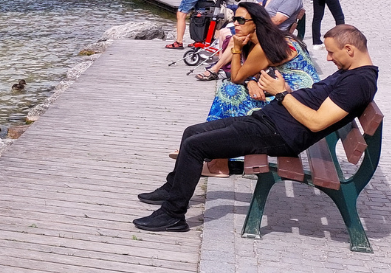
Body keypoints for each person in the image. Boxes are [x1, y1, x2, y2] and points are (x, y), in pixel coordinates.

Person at [134, 25, 378, 232]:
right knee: (192, 132)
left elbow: (316, 122)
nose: (328, 58)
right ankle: (172, 190)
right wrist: (285, 90)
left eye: (331, 53)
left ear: (349, 49)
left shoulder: (358, 83)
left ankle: (173, 215)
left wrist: (281, 94)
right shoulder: (351, 73)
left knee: (194, 146)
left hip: (280, 135)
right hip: (271, 122)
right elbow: (316, 104)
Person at [204, 1, 319, 122]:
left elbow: (236, 78)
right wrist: (250, 82)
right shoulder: (274, 38)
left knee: (229, 90)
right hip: (291, 92)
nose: (236, 24)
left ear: (256, 22)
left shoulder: (264, 47)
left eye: (241, 20)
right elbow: (250, 73)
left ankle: (218, 129)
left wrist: (236, 49)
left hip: (299, 100)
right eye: (234, 19)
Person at [194, 0, 302, 80]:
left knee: (235, 39)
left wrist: (255, 22)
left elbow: (277, 20)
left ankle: (215, 69)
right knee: (223, 32)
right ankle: (222, 66)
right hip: (262, 26)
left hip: (271, 31)